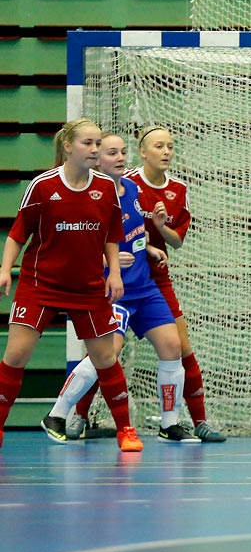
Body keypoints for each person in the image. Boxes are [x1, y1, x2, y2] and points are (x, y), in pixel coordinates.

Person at [0, 120, 143, 452]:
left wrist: (114, 273)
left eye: (97, 144)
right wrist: (6, 269)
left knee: (105, 357)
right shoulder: (43, 186)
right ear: (68, 147)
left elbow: (112, 234)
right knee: (17, 355)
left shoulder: (106, 188)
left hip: (88, 286)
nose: (94, 150)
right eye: (87, 144)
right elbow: (18, 234)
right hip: (41, 283)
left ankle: (126, 430)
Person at [45, 133, 191, 444]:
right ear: (97, 159)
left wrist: (149, 247)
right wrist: (104, 260)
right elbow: (72, 244)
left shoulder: (133, 189)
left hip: (144, 287)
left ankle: (170, 424)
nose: (121, 158)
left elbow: (133, 231)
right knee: (107, 354)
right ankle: (57, 413)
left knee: (172, 347)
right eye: (113, 153)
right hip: (113, 292)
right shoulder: (89, 196)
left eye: (123, 152)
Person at [104, 126, 227, 442]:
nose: (167, 151)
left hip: (155, 277)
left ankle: (197, 420)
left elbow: (177, 241)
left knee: (180, 346)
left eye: (171, 146)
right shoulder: (125, 183)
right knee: (105, 350)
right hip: (121, 273)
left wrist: (160, 229)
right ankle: (78, 418)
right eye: (159, 146)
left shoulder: (179, 190)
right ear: (143, 152)